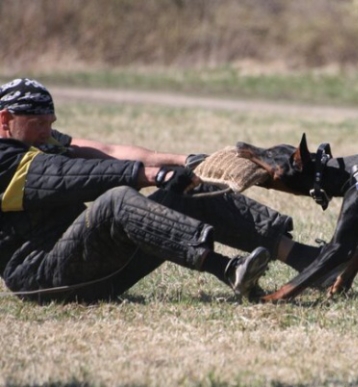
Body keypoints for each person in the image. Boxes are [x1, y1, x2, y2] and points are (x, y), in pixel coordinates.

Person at [0, 78, 320, 303]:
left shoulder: (43, 139)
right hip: (42, 279)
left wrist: (187, 162)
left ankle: (310, 261)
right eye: (37, 123)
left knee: (190, 183)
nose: (46, 131)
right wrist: (151, 175)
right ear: (5, 120)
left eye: (49, 122)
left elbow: (107, 151)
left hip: (93, 266)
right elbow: (70, 174)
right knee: (117, 200)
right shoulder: (6, 158)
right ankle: (228, 269)